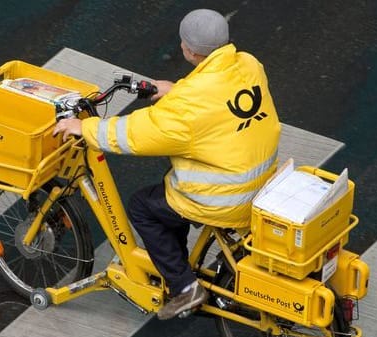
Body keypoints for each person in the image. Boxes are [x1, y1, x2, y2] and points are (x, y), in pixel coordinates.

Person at [54, 9, 281, 319]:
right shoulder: (248, 64)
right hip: (263, 180)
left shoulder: (188, 104)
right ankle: (175, 264)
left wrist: (85, 128)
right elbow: (215, 100)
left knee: (142, 207)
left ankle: (184, 287)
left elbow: (137, 134)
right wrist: (176, 91)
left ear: (190, 49)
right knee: (168, 191)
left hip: (225, 196)